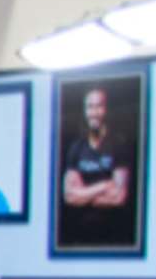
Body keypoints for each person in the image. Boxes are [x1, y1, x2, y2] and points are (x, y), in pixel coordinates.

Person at [57, 80, 135, 243]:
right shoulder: (76, 148)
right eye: (90, 107)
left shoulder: (118, 145)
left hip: (113, 236)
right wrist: (104, 186)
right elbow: (70, 196)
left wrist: (83, 194)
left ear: (106, 109)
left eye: (99, 106)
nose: (94, 112)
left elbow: (119, 196)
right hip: (79, 236)